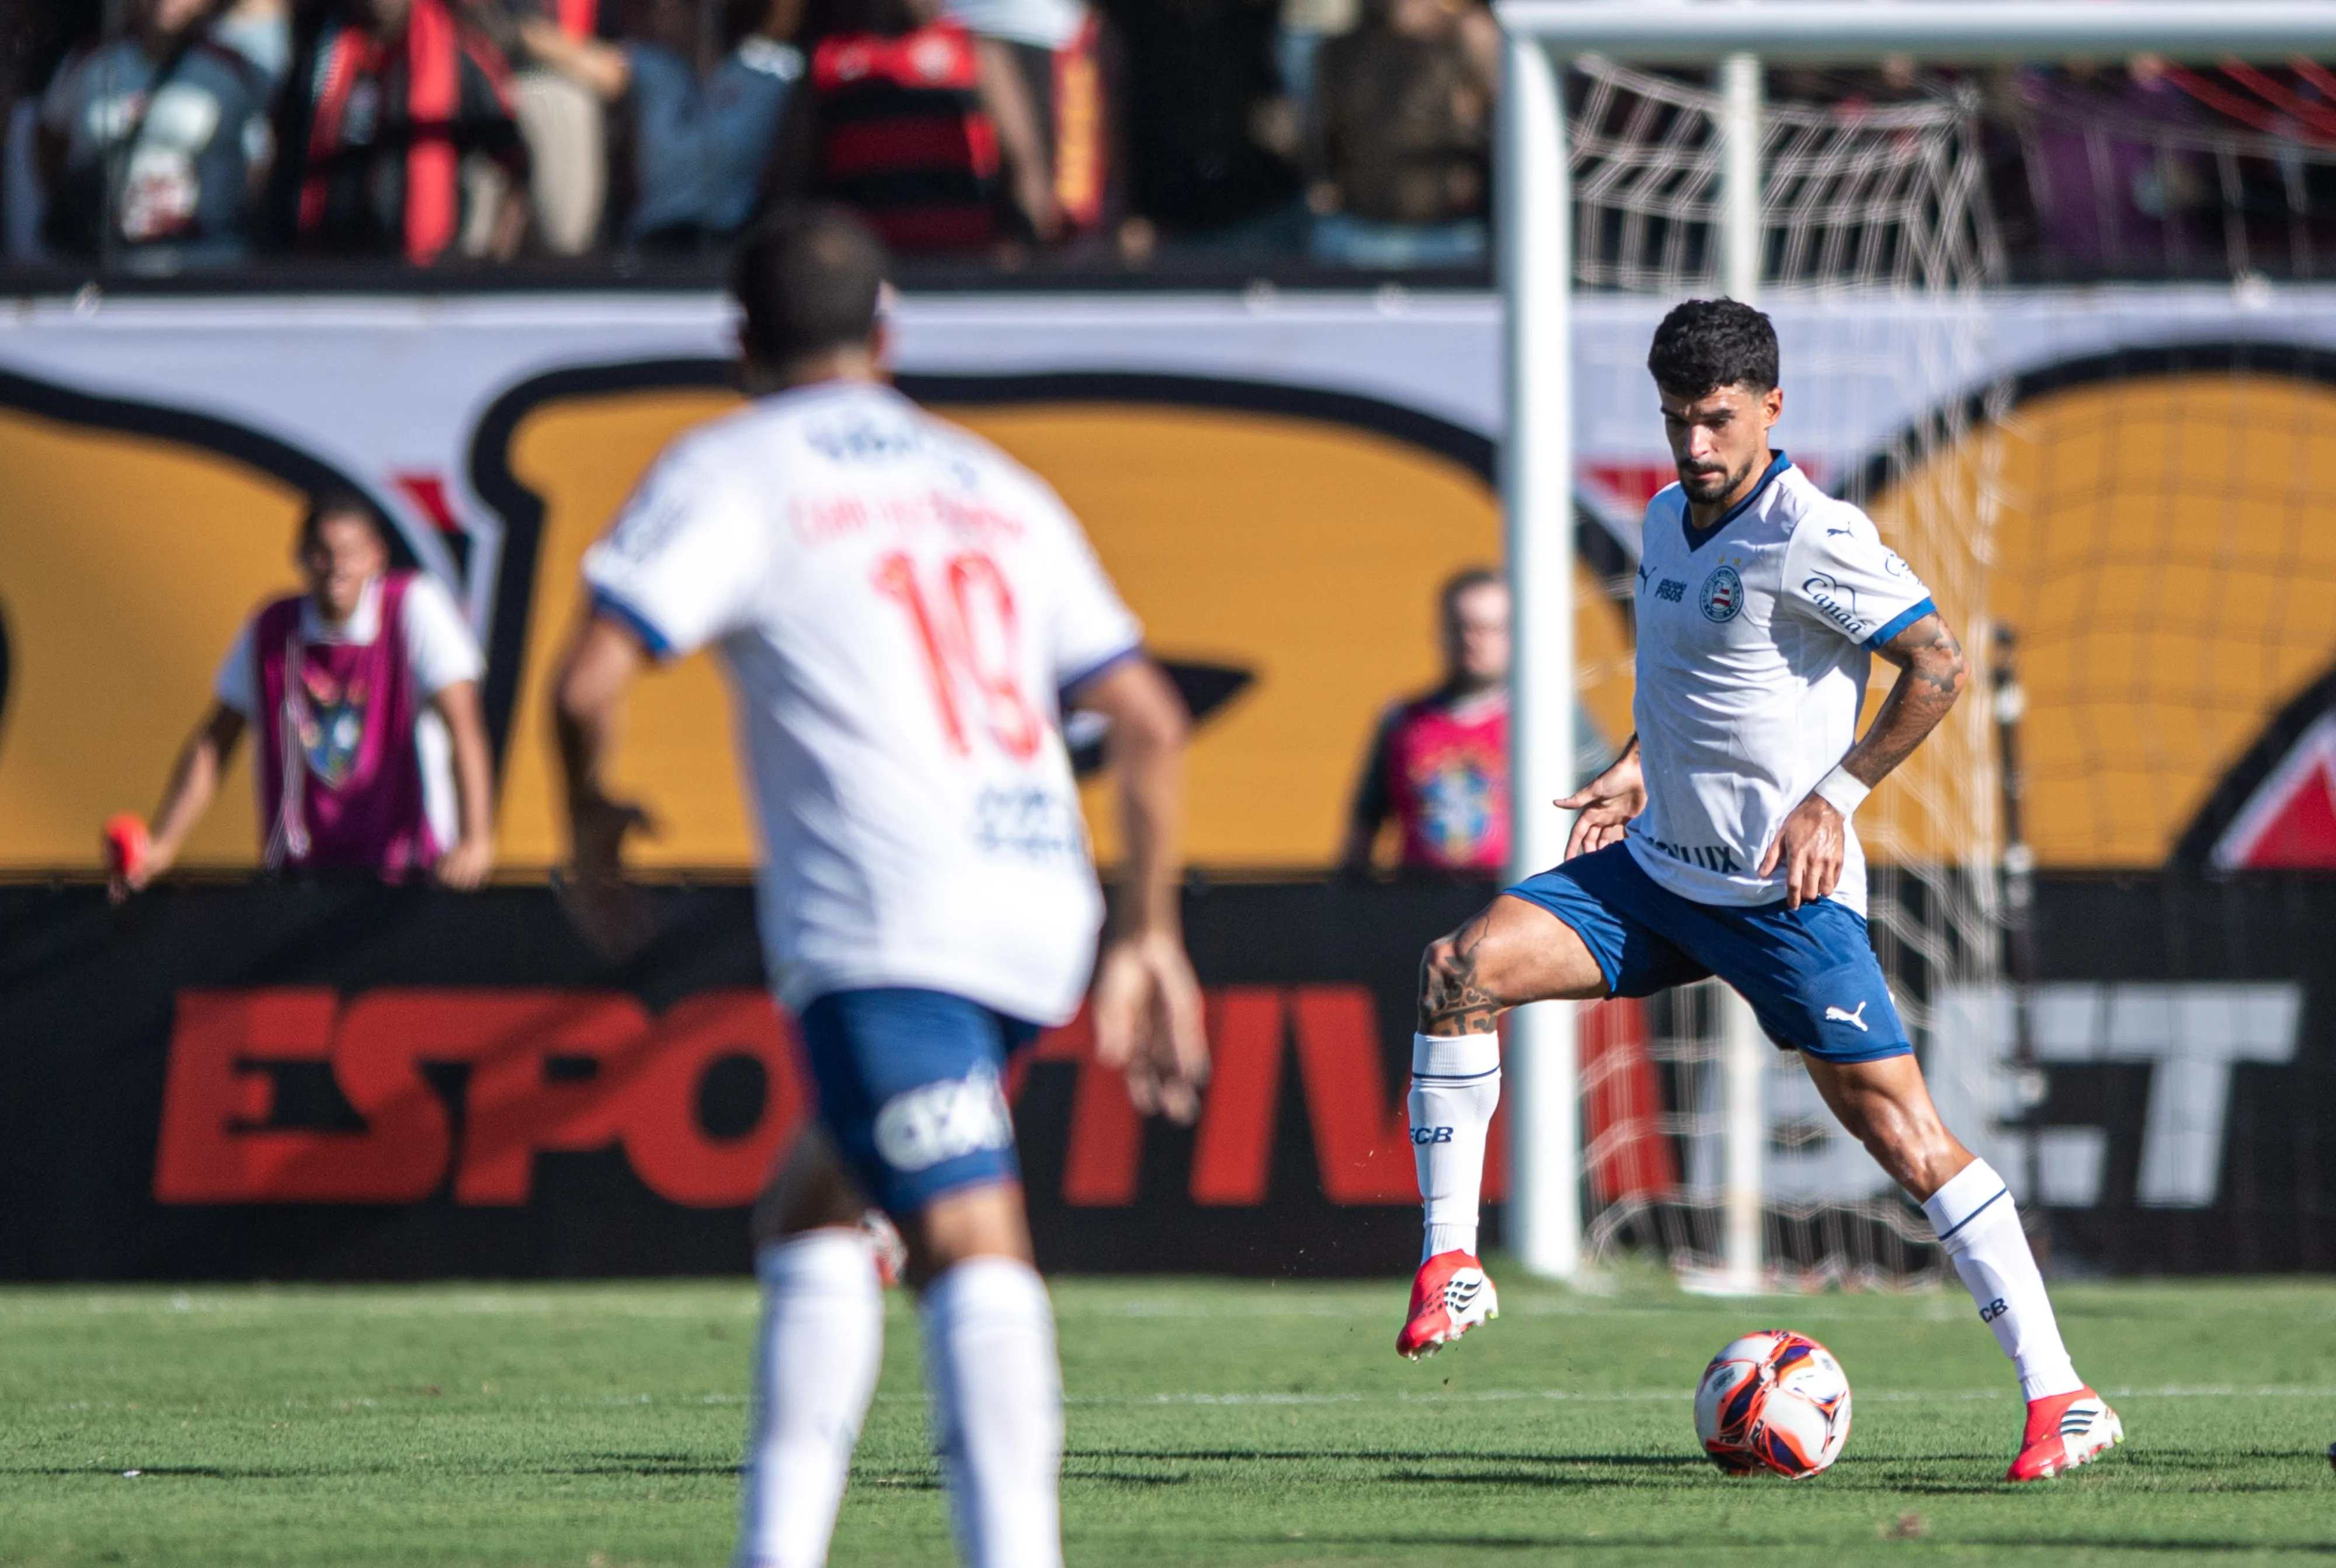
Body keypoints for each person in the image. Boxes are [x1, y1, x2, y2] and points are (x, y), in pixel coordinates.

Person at [548, 207, 1207, 1567]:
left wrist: (593, 828)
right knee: (814, 1205)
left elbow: (584, 682)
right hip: (1038, 903)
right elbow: (1147, 720)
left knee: (968, 1236)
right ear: (886, 332)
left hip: (890, 918)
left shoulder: (736, 467)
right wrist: (1149, 933)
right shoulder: (989, 482)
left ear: (740, 341)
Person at [1393, 299, 2123, 1484]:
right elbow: (1690, 683)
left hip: (1781, 902)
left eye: (1717, 420)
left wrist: (1835, 796)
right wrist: (1636, 768)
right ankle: (1452, 1261)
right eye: (1676, 419)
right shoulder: (1663, 519)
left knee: (1906, 1138)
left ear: (1770, 408)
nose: (1694, 445)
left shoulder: (1813, 534)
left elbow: (1935, 666)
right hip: (1655, 875)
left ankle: (2063, 1396)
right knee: (1455, 970)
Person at [112, 490, 496, 896]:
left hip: (407, 878)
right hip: (300, 883)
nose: (337, 568)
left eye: (351, 553)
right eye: (323, 553)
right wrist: (164, 845)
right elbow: (215, 743)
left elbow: (464, 727)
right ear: (300, 557)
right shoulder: (272, 629)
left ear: (377, 557)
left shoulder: (414, 607)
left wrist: (476, 841)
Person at [765, 0, 1058, 254]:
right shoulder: (827, 58)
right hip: (867, 269)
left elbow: (1026, 162)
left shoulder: (975, 50)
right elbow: (795, 174)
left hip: (965, 264)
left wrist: (1019, 248)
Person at [515, 0, 804, 248]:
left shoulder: (775, 71)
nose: (662, 7)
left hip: (733, 240)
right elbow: (582, 58)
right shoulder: (655, 68)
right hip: (654, 244)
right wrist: (513, 29)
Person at [276, 0, 529, 264]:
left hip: (421, 271)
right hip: (325, 263)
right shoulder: (319, 50)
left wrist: (495, 258)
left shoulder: (456, 53)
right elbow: (285, 151)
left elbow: (516, 164)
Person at [36, 0, 274, 265]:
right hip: (107, 259)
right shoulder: (89, 61)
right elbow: (50, 140)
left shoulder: (235, 70)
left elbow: (265, 160)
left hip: (206, 258)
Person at [1340, 566, 1508, 874]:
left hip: (1516, 895)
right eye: (1460, 627)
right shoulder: (1403, 720)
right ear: (1440, 632)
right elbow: (1365, 822)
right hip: (1421, 895)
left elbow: (1598, 808)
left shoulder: (1547, 721)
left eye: (1487, 628)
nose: (1472, 640)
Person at [1305, 0, 1496, 269]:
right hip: (1359, 231)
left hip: (1450, 234)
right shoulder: (1342, 52)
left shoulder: (1466, 41)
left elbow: (1505, 124)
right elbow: (1322, 136)